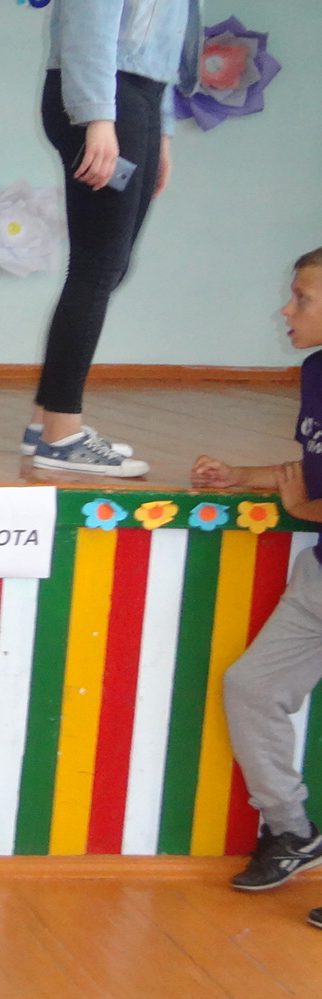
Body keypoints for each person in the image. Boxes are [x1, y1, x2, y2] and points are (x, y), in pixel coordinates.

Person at [189, 247, 322, 925]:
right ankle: (292, 832)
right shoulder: (315, 373)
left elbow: (310, 500)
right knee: (252, 687)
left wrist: (306, 511)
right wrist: (243, 477)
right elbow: (310, 472)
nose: (287, 309)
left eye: (302, 298)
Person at [24, 0, 199, 478]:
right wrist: (98, 118)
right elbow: (90, 23)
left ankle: (45, 421)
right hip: (107, 97)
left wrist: (161, 133)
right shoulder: (102, 106)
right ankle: (62, 435)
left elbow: (163, 49)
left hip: (137, 100)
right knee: (98, 267)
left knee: (109, 266)